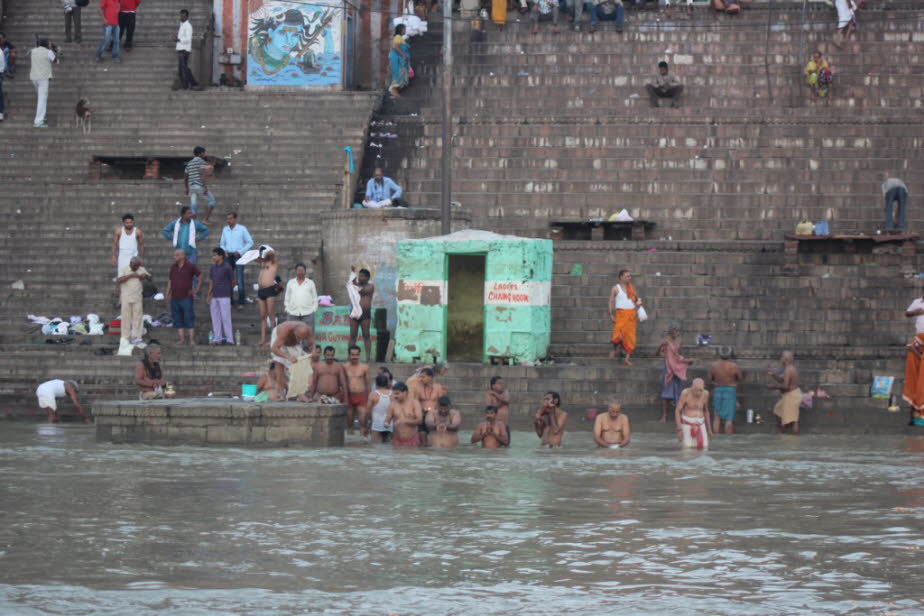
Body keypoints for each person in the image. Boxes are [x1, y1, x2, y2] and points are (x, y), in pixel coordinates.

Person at [658, 321, 692, 422]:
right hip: (668, 370)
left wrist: (684, 360)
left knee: (678, 393)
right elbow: (659, 353)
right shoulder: (665, 341)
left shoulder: (679, 341)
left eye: (678, 330)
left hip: (677, 370)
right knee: (665, 394)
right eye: (675, 330)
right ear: (671, 330)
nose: (676, 332)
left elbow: (679, 355)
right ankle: (664, 415)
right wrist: (662, 349)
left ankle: (679, 415)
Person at [165, 248, 201, 345]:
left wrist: (197, 288)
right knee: (177, 318)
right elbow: (170, 281)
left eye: (177, 255)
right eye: (174, 255)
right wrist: (167, 293)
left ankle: (191, 340)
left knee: (189, 317)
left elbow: (200, 274)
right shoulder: (173, 267)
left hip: (186, 297)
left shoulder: (190, 266)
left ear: (182, 256)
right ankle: (181, 339)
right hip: (175, 297)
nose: (174, 257)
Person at [608, 269, 643, 365]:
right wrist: (611, 314)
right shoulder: (615, 288)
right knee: (617, 335)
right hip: (620, 315)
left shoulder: (631, 288)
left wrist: (638, 303)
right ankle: (614, 350)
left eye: (630, 276)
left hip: (631, 315)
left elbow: (636, 300)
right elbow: (611, 301)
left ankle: (627, 358)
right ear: (621, 277)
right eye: (627, 276)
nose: (629, 278)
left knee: (631, 338)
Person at [708, 346, 744, 435]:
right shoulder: (734, 366)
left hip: (718, 390)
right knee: (729, 419)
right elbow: (740, 378)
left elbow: (710, 378)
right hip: (730, 391)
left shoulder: (713, 366)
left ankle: (716, 438)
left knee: (717, 417)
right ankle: (728, 440)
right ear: (730, 354)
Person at [219, 212, 253, 307]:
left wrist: (241, 251)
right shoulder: (225, 229)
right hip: (227, 256)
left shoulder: (242, 229)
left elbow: (250, 242)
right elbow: (222, 243)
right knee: (228, 279)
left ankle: (241, 301)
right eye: (227, 219)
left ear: (235, 219)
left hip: (238, 256)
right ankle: (230, 300)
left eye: (230, 218)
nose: (228, 221)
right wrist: (224, 250)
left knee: (239, 278)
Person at [117, 256, 151, 345]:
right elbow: (119, 280)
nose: (136, 268)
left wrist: (145, 276)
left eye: (138, 266)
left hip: (137, 297)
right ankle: (125, 337)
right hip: (126, 297)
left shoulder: (141, 269)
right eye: (135, 266)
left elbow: (150, 278)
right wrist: (131, 275)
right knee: (125, 318)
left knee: (138, 317)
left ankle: (136, 337)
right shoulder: (124, 269)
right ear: (130, 264)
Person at [410, 367, 446, 447]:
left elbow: (441, 403)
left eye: (423, 377)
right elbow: (415, 402)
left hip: (434, 416)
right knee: (422, 439)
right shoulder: (418, 387)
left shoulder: (438, 387)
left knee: (434, 441)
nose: (421, 379)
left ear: (430, 377)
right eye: (420, 377)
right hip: (422, 415)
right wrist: (419, 412)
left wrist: (434, 413)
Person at [768, 351, 802, 434]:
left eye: (782, 357)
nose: (781, 358)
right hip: (791, 395)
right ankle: (783, 432)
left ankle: (794, 441)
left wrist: (773, 387)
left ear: (785, 359)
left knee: (793, 420)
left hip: (792, 396)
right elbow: (782, 381)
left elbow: (786, 387)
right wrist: (773, 375)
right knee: (777, 410)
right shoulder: (789, 368)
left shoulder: (788, 370)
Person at [269, 320, 313, 385]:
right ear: (294, 331)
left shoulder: (307, 330)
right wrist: (288, 357)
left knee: (301, 365)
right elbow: (274, 348)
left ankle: (298, 391)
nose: (300, 340)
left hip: (291, 344)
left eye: (302, 338)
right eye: (298, 337)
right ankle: (281, 392)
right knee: (279, 363)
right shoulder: (283, 330)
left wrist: (312, 352)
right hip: (278, 343)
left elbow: (311, 344)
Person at [206, 247, 234, 345]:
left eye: (215, 255)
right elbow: (211, 281)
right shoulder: (212, 268)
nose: (213, 257)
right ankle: (217, 338)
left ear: (221, 256)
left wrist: (227, 289)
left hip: (224, 295)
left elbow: (232, 281)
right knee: (215, 318)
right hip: (214, 295)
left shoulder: (227, 267)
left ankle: (230, 339)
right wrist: (209, 294)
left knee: (226, 317)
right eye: (213, 255)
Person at [675, 378, 712, 450]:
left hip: (701, 424)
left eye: (701, 390)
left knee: (704, 448)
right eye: (697, 390)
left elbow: (706, 411)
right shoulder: (685, 393)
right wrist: (679, 429)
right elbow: (677, 410)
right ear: (693, 388)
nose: (699, 393)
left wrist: (709, 429)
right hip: (687, 424)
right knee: (687, 449)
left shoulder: (706, 393)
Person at [348, 268, 375, 362]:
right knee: (352, 335)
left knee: (366, 335)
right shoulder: (355, 285)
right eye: (359, 275)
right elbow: (352, 286)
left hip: (365, 313)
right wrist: (353, 275)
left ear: (367, 278)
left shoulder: (370, 286)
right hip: (354, 312)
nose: (360, 277)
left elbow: (361, 290)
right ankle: (350, 357)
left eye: (362, 276)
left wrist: (353, 281)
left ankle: (368, 357)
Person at [384, 382, 423, 447]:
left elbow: (419, 421)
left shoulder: (414, 403)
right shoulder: (392, 405)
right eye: (394, 394)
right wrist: (386, 423)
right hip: (397, 440)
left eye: (397, 393)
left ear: (405, 393)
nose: (395, 396)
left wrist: (404, 421)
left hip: (412, 439)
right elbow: (388, 418)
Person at [30, 39, 57, 128]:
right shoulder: (49, 52)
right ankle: (38, 121)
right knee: (42, 99)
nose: (50, 44)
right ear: (46, 44)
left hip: (34, 77)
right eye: (49, 43)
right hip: (43, 78)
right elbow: (56, 61)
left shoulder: (33, 51)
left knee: (40, 98)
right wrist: (53, 50)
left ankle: (41, 117)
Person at [256, 248, 280, 347]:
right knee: (262, 316)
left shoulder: (273, 263)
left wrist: (265, 254)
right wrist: (259, 257)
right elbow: (255, 258)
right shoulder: (262, 263)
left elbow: (271, 254)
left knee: (271, 315)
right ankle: (263, 339)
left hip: (270, 290)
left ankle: (273, 340)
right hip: (261, 291)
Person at [185, 146, 216, 221]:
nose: (205, 154)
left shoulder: (189, 163)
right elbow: (202, 175)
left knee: (193, 205)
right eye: (204, 152)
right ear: (200, 153)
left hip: (191, 186)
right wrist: (205, 187)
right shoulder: (201, 162)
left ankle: (193, 222)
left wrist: (187, 188)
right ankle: (205, 219)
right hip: (199, 186)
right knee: (212, 201)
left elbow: (186, 177)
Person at [344, 345, 370, 435]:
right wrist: (345, 398)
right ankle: (350, 448)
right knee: (349, 424)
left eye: (356, 355)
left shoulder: (364, 367)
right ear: (349, 355)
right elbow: (342, 383)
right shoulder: (344, 367)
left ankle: (363, 446)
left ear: (359, 355)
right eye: (352, 354)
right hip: (349, 396)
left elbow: (367, 384)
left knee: (363, 423)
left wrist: (368, 399)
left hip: (361, 396)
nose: (354, 357)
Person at [366, 374, 394, 443]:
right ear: (387, 383)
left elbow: (368, 411)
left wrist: (368, 423)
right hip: (389, 423)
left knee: (375, 447)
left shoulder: (373, 394)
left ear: (376, 384)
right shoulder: (392, 394)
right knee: (388, 446)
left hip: (376, 424)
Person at [175, 9, 198, 90]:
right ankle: (193, 83)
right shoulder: (182, 25)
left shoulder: (188, 26)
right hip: (181, 49)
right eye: (181, 15)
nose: (182, 17)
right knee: (183, 68)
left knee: (183, 69)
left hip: (184, 50)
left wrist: (179, 39)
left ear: (187, 16)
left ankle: (187, 85)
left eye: (183, 16)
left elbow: (188, 38)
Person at [388, 24, 410, 97]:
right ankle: (393, 90)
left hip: (399, 58)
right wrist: (403, 55)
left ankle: (395, 90)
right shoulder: (397, 37)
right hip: (397, 59)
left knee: (402, 74)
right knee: (399, 74)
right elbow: (396, 47)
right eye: (404, 29)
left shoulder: (400, 38)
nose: (405, 30)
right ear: (400, 30)